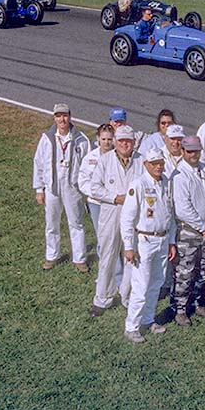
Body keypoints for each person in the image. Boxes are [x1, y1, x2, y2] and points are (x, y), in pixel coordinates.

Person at [86, 125, 144, 317]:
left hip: (134, 216)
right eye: (121, 141)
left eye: (128, 141)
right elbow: (94, 188)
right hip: (111, 213)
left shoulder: (141, 161)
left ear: (134, 142)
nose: (124, 144)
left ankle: (127, 296)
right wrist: (115, 197)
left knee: (132, 256)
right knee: (108, 256)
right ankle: (102, 298)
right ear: (115, 142)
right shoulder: (104, 160)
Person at [120, 148, 177, 343]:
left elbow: (171, 216)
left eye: (160, 162)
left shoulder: (167, 183)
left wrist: (171, 242)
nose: (158, 166)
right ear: (146, 164)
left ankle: (148, 318)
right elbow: (127, 218)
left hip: (162, 239)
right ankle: (132, 326)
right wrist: (129, 246)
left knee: (156, 283)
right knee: (141, 285)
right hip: (143, 241)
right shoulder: (139, 184)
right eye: (154, 163)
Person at [169, 135, 205, 326]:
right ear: (182, 151)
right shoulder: (179, 175)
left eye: (196, 151)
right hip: (189, 232)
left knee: (202, 269)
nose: (193, 154)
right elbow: (182, 208)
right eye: (189, 151)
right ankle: (180, 309)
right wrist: (202, 227)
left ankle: (196, 302)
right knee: (185, 271)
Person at [32, 103, 91, 272]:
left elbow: (88, 166)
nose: (62, 119)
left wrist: (85, 189)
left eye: (64, 115)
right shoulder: (47, 138)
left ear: (70, 117)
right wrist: (39, 189)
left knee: (76, 223)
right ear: (54, 118)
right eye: (58, 116)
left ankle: (79, 259)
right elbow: (38, 163)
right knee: (51, 223)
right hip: (52, 187)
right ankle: (52, 256)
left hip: (72, 188)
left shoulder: (81, 139)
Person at [78, 124, 115, 236]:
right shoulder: (90, 158)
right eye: (103, 139)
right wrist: (96, 193)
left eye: (109, 139)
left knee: (115, 236)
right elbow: (83, 180)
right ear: (98, 138)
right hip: (96, 202)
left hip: (114, 203)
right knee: (101, 236)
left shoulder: (119, 156)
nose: (106, 142)